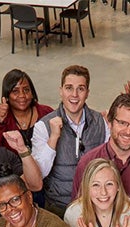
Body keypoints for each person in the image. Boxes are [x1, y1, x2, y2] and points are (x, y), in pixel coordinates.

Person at [71, 93, 130, 224]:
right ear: (109, 122)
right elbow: (77, 213)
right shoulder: (87, 163)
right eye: (122, 123)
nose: (128, 131)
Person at [31, 65, 110, 217]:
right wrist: (53, 138)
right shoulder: (43, 126)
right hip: (58, 208)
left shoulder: (102, 122)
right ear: (61, 91)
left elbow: (110, 166)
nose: (74, 94)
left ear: (87, 93)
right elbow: (39, 174)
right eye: (69, 88)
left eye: (80, 89)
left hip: (94, 206)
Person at [0, 69, 54, 153]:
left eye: (26, 90)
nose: (22, 95)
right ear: (6, 96)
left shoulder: (47, 113)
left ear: (32, 93)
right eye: (15, 91)